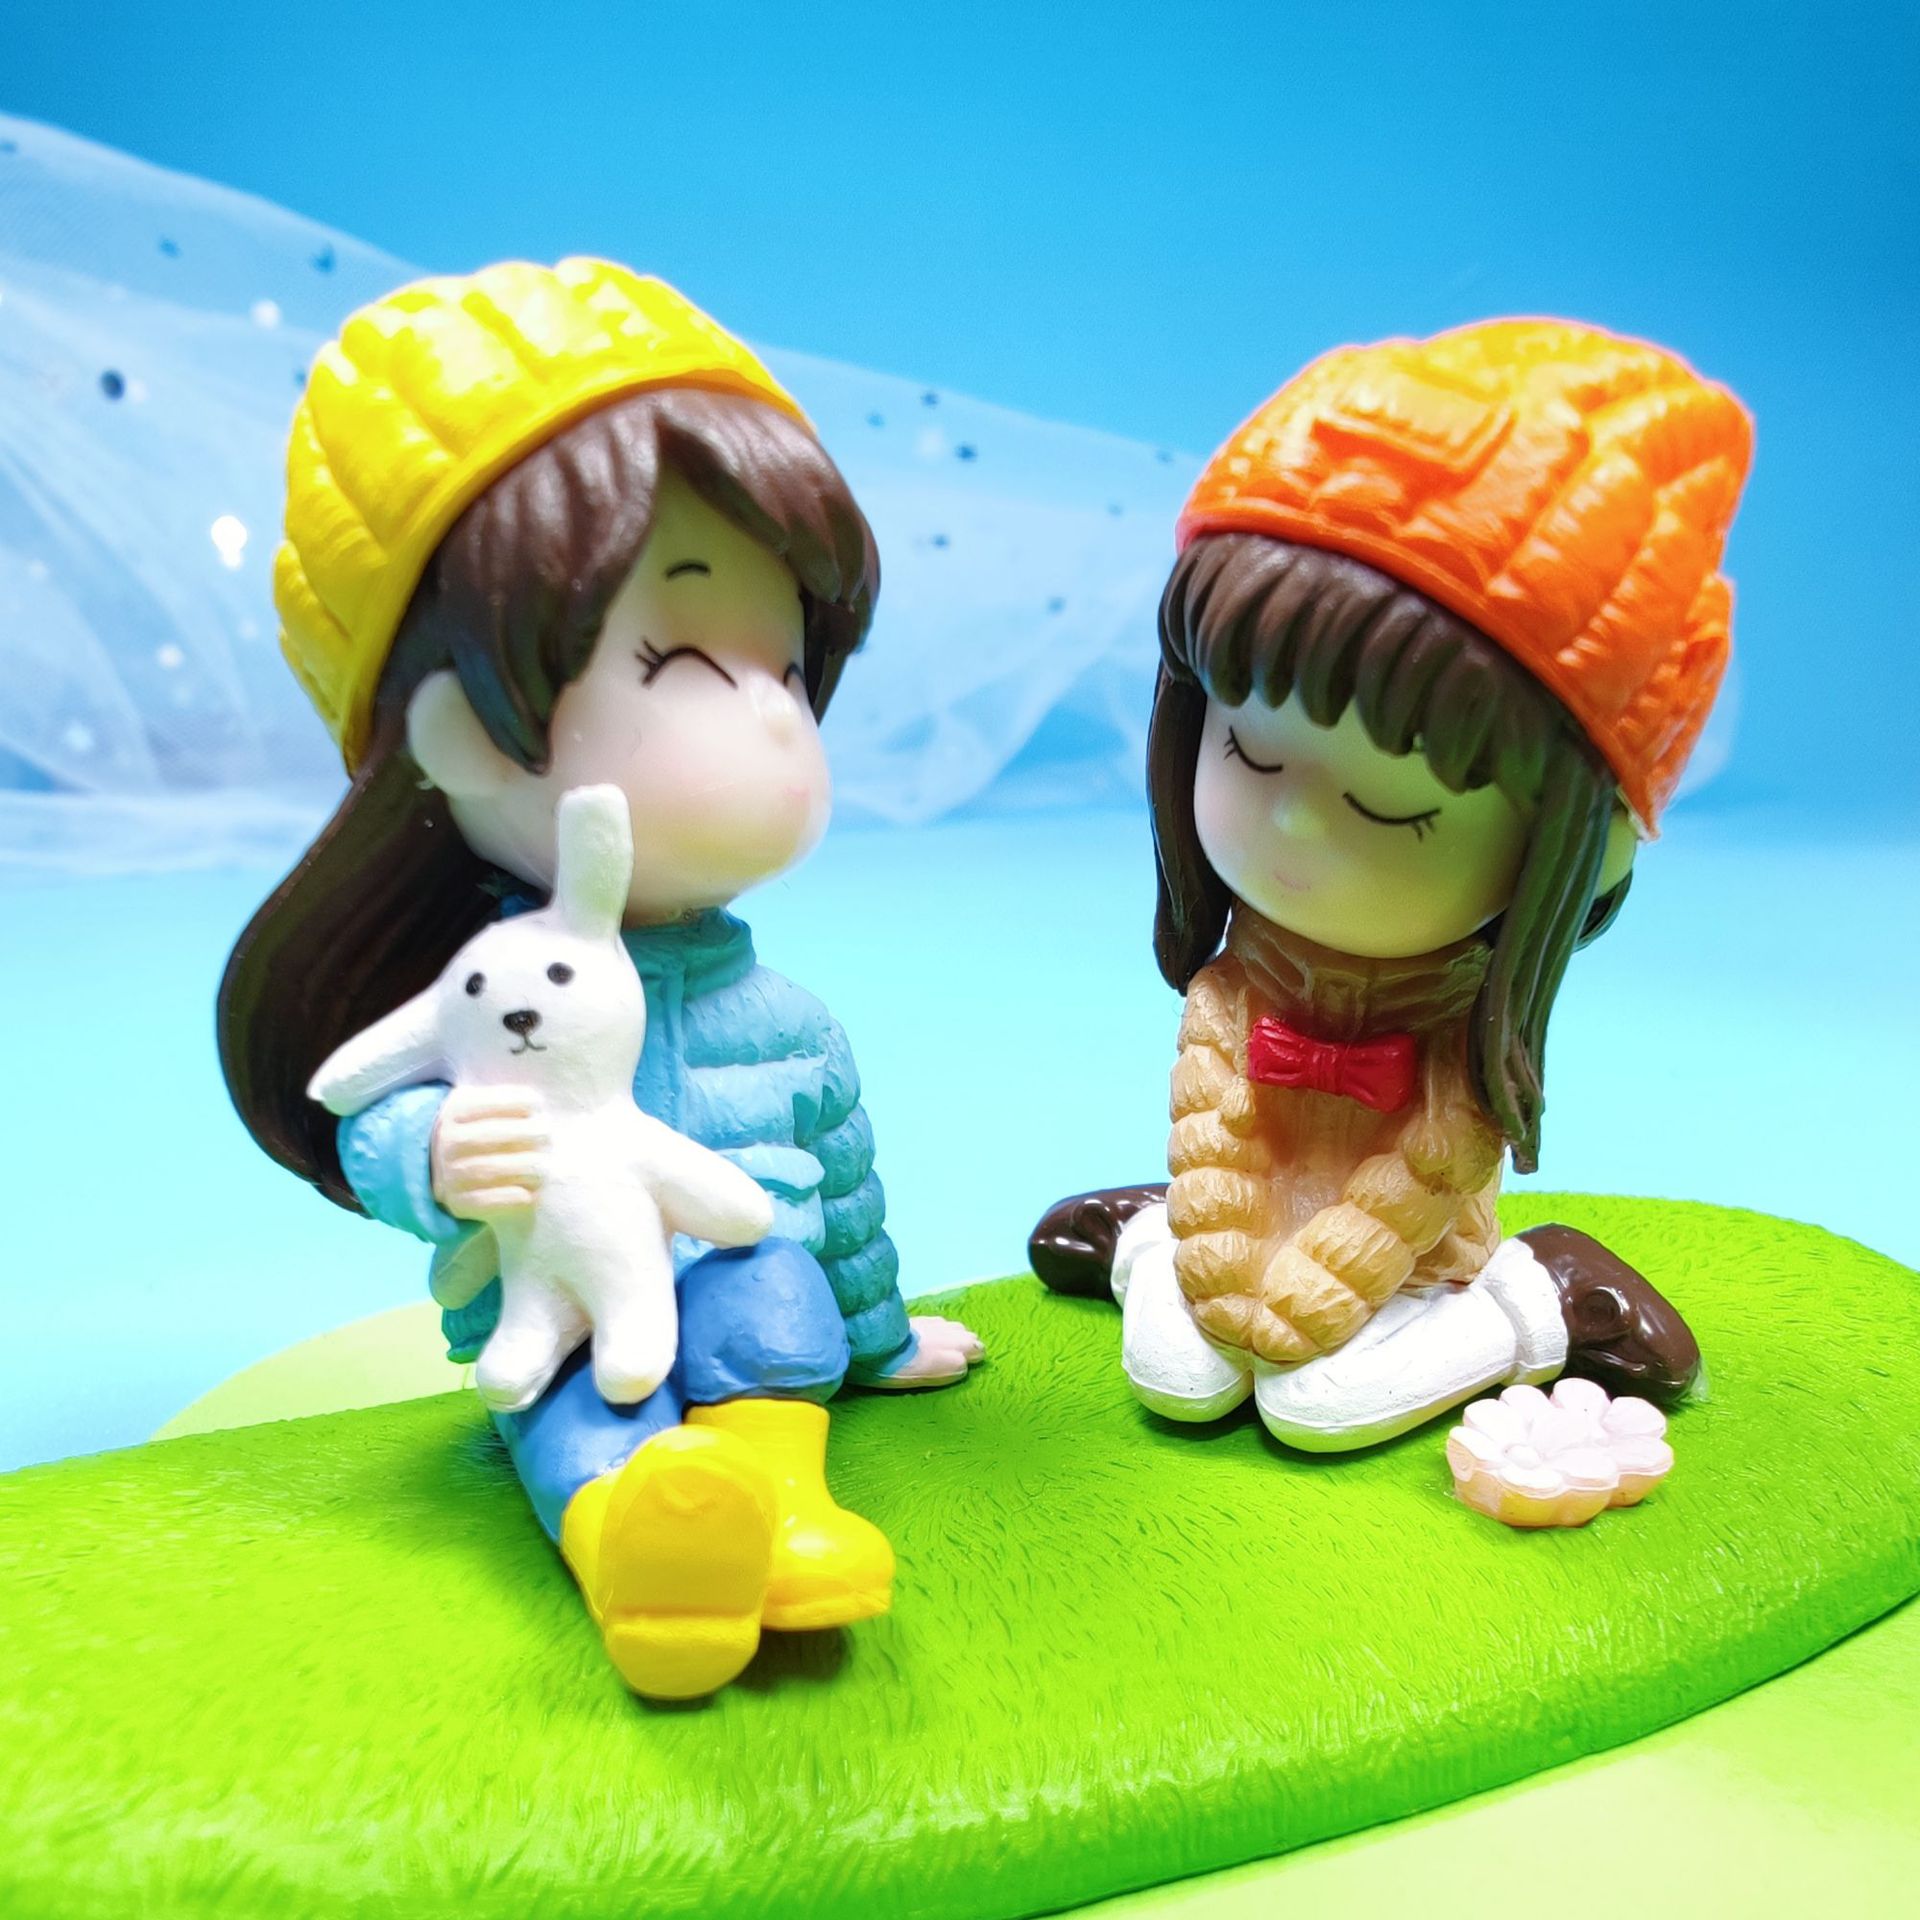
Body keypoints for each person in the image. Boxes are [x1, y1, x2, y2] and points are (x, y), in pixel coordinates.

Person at [220, 259, 981, 1698]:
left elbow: (846, 1197)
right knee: (570, 1398)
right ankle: (630, 1539)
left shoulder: (791, 1026)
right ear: (454, 732)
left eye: (786, 667)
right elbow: (386, 1112)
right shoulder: (483, 997)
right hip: (556, 1303)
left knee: (776, 1288)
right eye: (681, 655)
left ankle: (784, 1505)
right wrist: (436, 1157)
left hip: (758, 1318)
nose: (771, 722)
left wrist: (877, 1341)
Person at [1031, 320, 1750, 1451]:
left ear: (1576, 853)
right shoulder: (1236, 983)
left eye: (1390, 811)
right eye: (1248, 751)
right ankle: (1150, 1240)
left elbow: (1422, 1170)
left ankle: (1538, 1302)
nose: (1295, 828)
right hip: (1241, 1222)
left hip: (1411, 1259)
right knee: (1179, 1376)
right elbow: (1216, 1099)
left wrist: (1301, 1308)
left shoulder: (1459, 1034)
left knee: (1317, 1405)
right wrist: (1221, 1259)